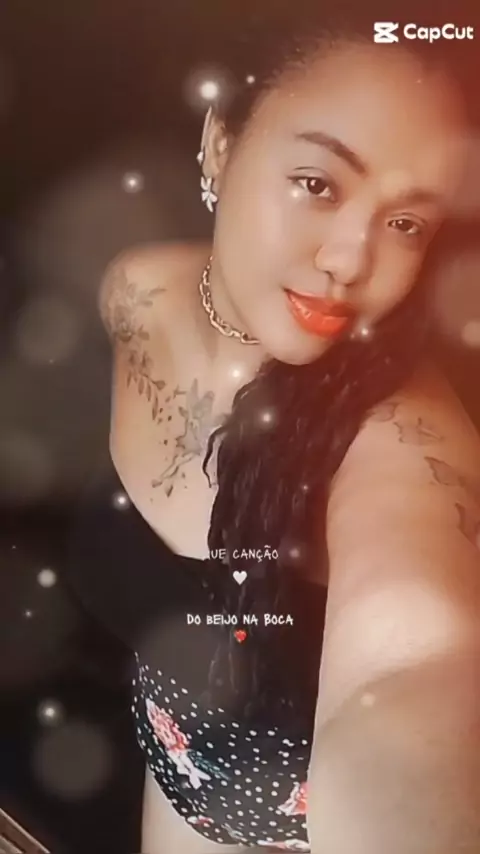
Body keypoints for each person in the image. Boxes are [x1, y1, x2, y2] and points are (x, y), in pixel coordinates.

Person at [68, 9, 480, 854]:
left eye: (407, 222)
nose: (350, 261)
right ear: (220, 145)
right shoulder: (132, 292)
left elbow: (413, 667)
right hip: (174, 789)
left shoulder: (401, 438)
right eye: (319, 184)